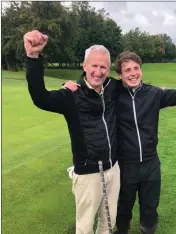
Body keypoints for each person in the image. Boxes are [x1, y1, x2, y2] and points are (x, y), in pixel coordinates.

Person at [63, 49, 176, 234]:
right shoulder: (113, 93)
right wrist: (70, 85)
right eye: (127, 70)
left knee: (149, 211)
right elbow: (91, 85)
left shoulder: (154, 94)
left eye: (136, 68)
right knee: (122, 211)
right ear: (119, 75)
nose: (133, 73)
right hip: (126, 166)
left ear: (141, 70)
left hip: (151, 165)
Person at [24, 29, 121, 234]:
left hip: (113, 169)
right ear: (84, 66)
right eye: (94, 65)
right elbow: (40, 98)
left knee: (108, 224)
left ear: (108, 68)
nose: (98, 71)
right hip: (88, 174)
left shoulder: (112, 87)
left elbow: (134, 84)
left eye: (103, 66)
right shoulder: (70, 94)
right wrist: (33, 57)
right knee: (84, 228)